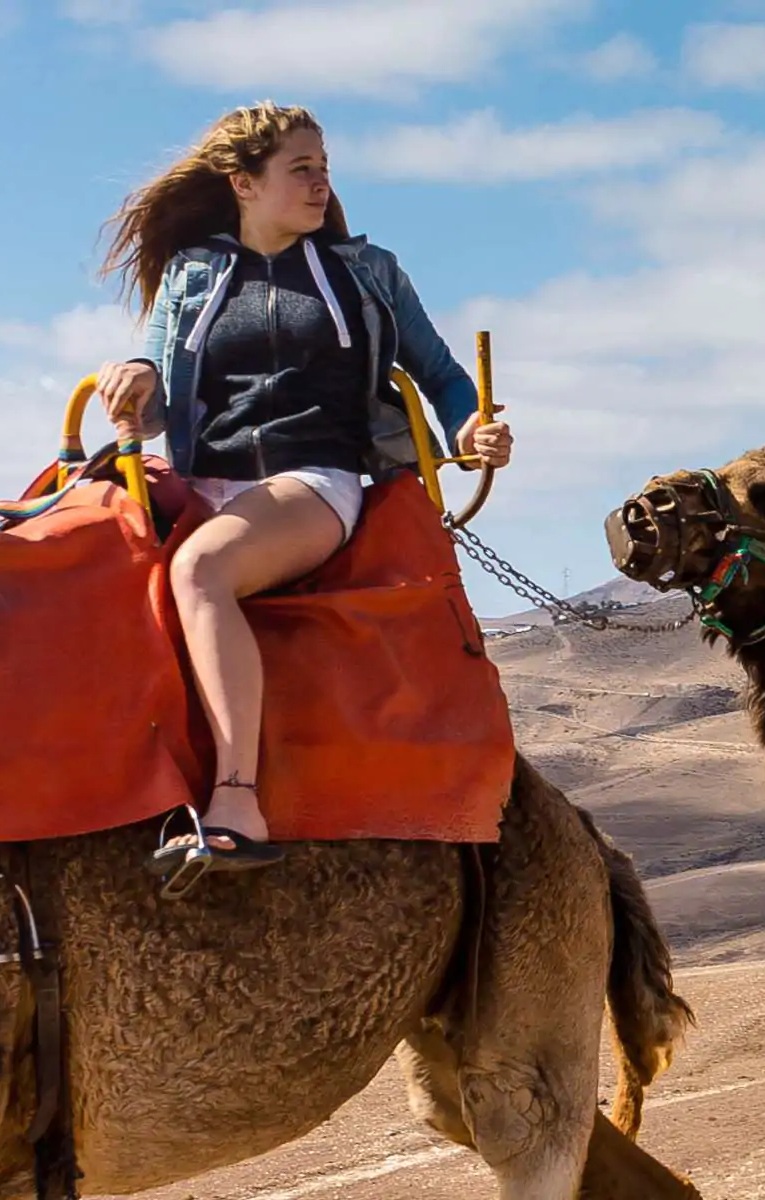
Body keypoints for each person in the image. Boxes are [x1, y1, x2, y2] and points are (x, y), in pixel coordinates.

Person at [89, 102, 510, 876]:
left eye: (324, 169)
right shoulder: (192, 274)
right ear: (243, 184)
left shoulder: (367, 270)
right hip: (198, 481)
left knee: (201, 570)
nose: (321, 185)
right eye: (301, 170)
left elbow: (444, 378)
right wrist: (137, 378)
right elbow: (156, 394)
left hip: (312, 481)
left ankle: (238, 800)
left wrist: (468, 432)